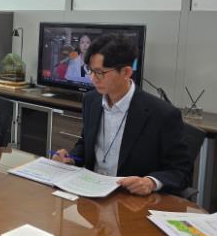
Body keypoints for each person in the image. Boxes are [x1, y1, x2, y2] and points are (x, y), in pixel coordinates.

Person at [53, 34, 191, 195]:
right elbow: (86, 142)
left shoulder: (163, 114)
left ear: (126, 72)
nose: (93, 79)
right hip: (91, 191)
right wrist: (71, 159)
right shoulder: (91, 100)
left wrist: (150, 182)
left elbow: (181, 172)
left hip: (130, 198)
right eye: (90, 71)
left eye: (100, 72)